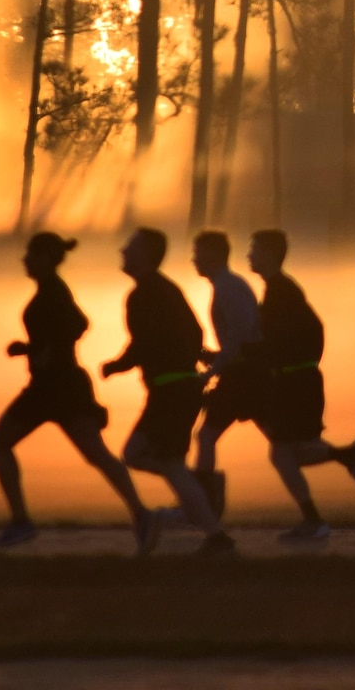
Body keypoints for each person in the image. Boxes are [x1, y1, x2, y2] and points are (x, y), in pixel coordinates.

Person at [0, 232, 154, 551]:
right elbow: (74, 326)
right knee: (95, 455)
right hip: (57, 386)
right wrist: (31, 347)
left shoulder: (52, 293)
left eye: (31, 255)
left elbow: (74, 326)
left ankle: (22, 523)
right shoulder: (52, 291)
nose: (25, 260)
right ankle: (141, 514)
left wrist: (44, 349)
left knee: (3, 443)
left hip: (57, 387)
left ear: (45, 260)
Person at [101, 228, 235, 558]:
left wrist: (118, 365)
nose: (122, 252)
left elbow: (144, 341)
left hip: (172, 391)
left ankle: (216, 536)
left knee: (168, 463)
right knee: (135, 454)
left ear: (145, 255)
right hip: (173, 390)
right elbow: (194, 330)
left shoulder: (144, 294)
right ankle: (202, 495)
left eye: (129, 248)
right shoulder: (167, 290)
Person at [246, 230, 355, 541]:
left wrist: (284, 365)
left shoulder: (281, 291)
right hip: (297, 379)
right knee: (292, 453)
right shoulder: (280, 290)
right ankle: (353, 456)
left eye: (254, 249)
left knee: (281, 455)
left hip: (296, 382)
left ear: (269, 254)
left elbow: (283, 338)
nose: (249, 255)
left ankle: (315, 520)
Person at [191, 230, 266, 518]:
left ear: (212, 256)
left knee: (206, 435)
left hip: (243, 376)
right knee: (286, 445)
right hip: (245, 372)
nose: (194, 260)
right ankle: (352, 456)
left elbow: (241, 338)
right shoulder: (227, 285)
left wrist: (210, 372)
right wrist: (213, 357)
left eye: (198, 254)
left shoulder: (228, 288)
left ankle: (203, 506)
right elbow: (238, 340)